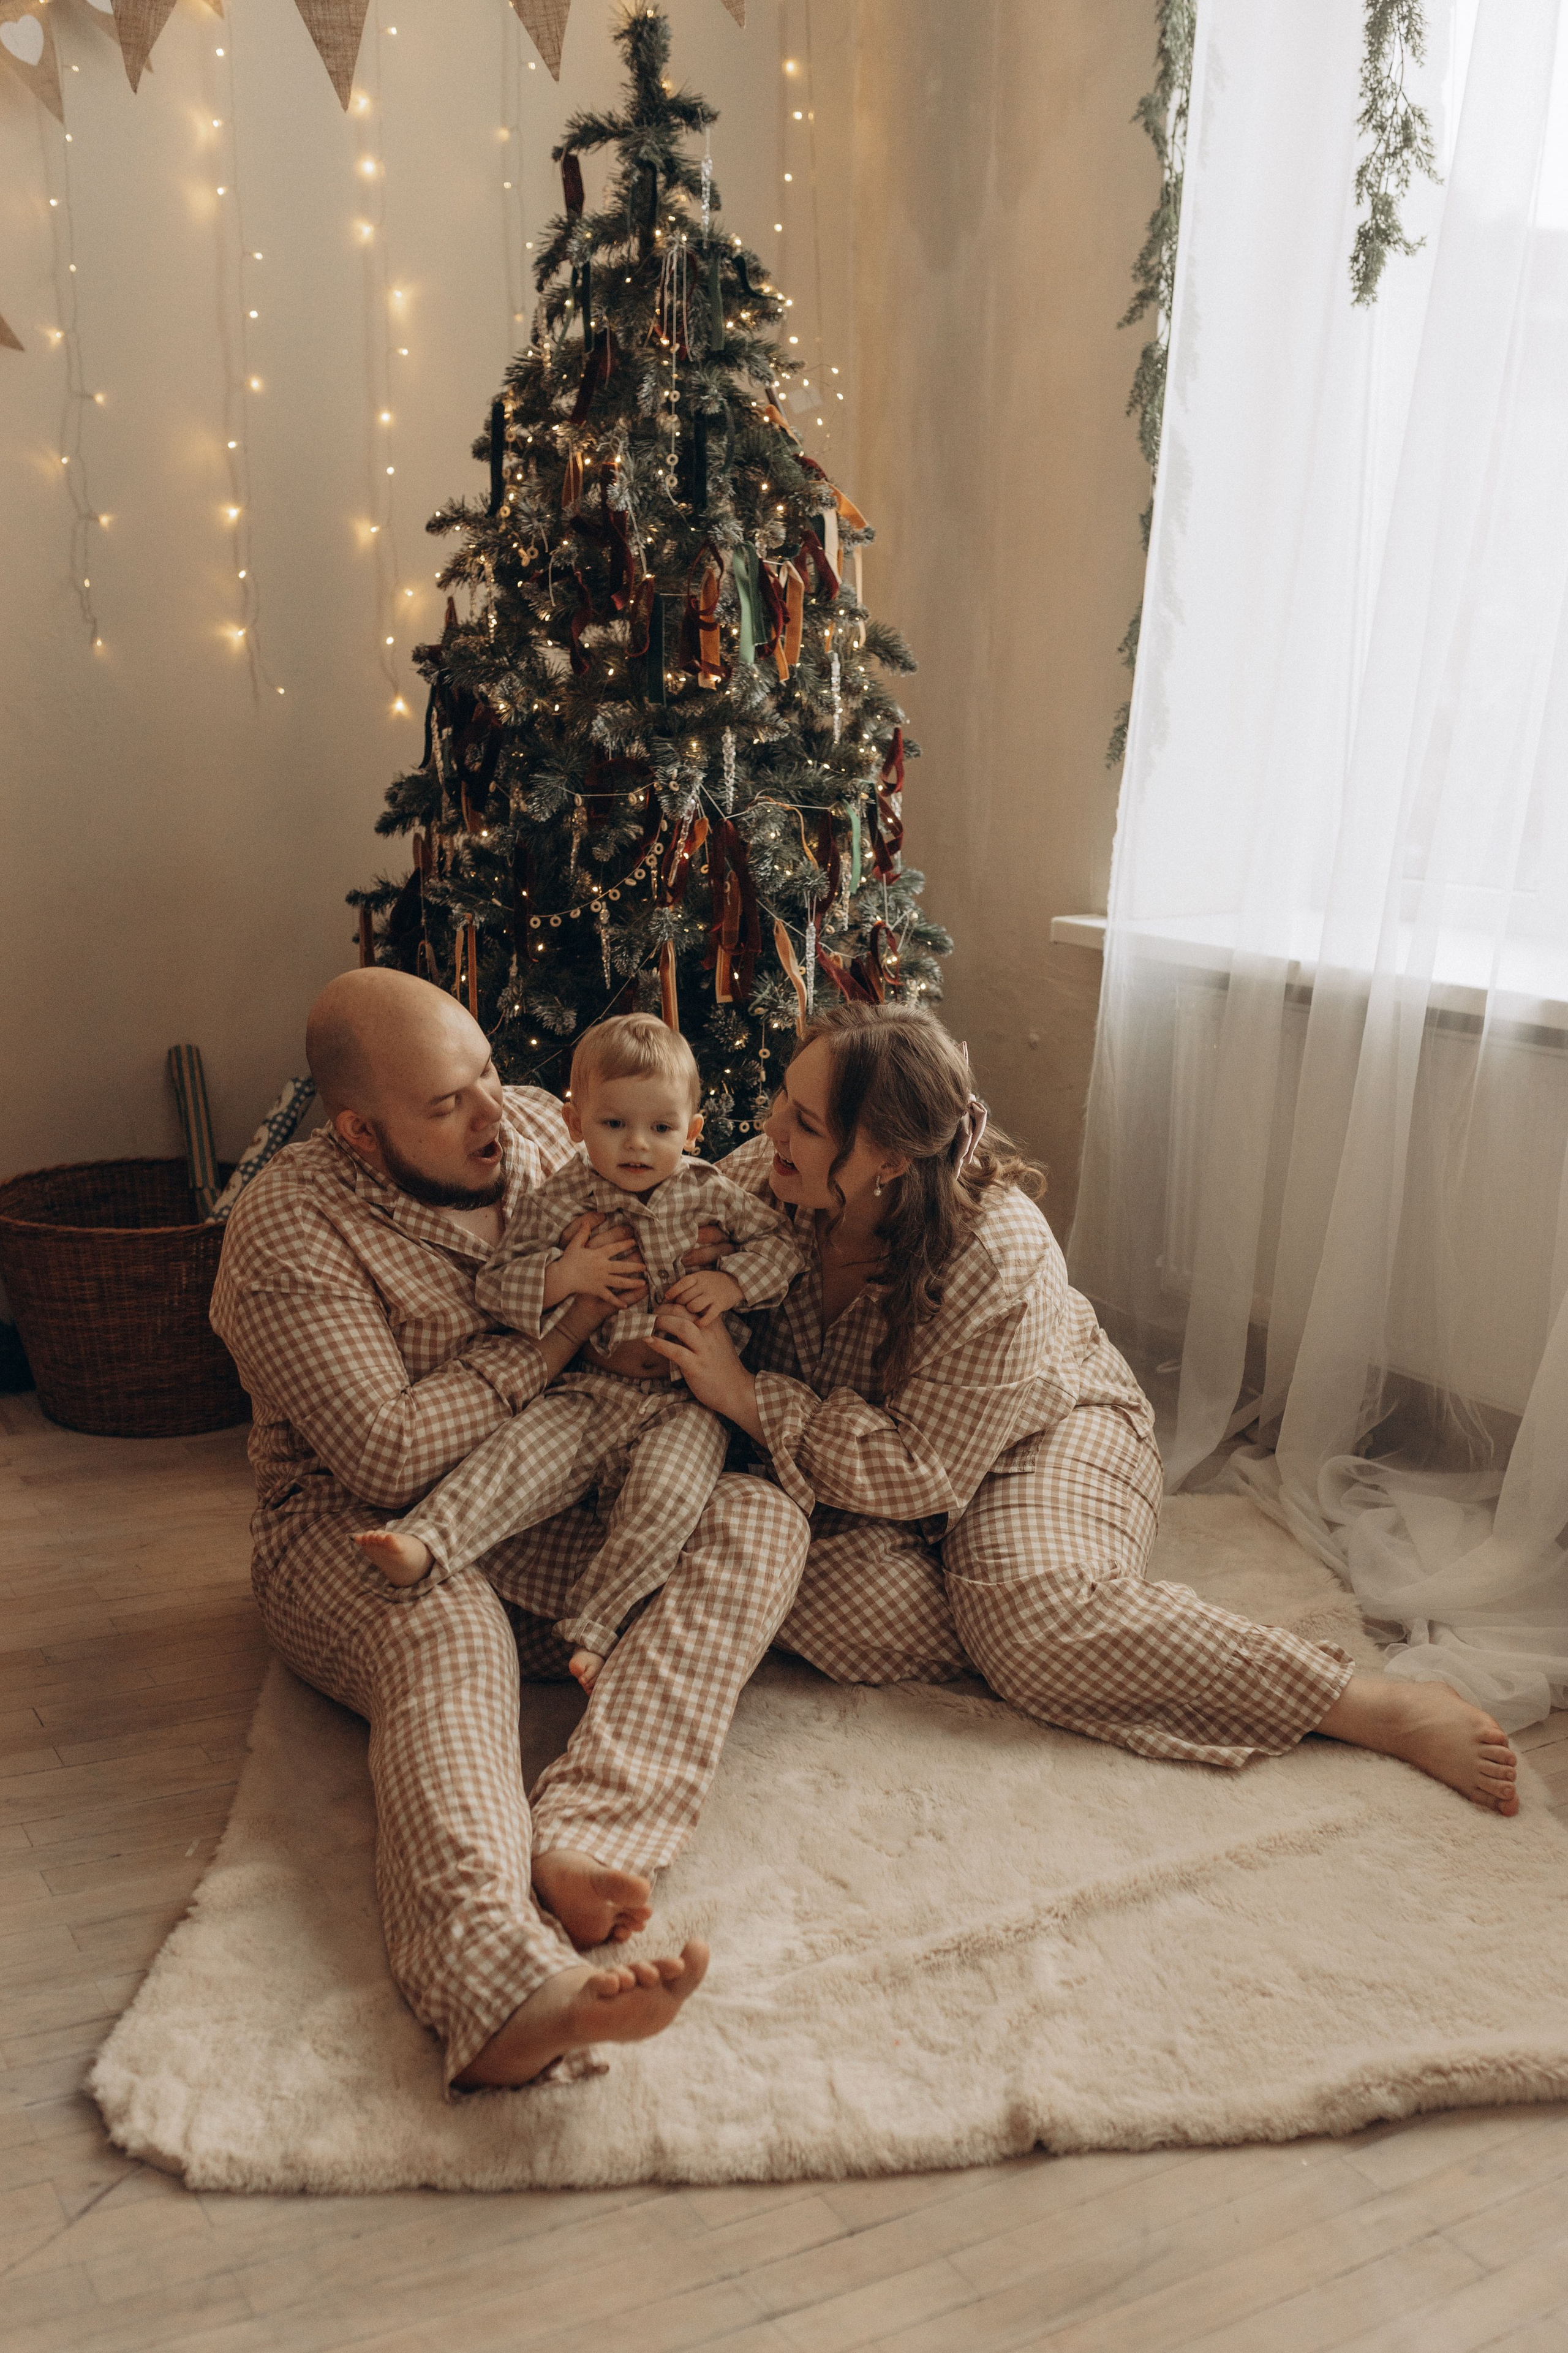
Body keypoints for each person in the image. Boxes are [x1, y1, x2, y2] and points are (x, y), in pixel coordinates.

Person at [648, 1002, 1521, 1817]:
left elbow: (924, 1469)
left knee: (1027, 1618)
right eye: (783, 1099)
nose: (770, 1126)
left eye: (805, 1123)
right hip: (862, 1463)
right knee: (810, 1577)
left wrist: (746, 1395)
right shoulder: (760, 1184)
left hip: (1042, 1432)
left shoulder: (998, 1250)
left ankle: (1362, 1703)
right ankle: (1023, 1625)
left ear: (890, 1161)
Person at [210, 969, 810, 2090]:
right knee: (446, 1629)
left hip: (568, 1500)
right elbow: (386, 1453)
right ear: (361, 1130)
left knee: (762, 1518)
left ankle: (592, 1838)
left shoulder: (544, 1126)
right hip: (360, 1524)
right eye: (448, 1103)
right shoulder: (289, 1230)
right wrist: (562, 1331)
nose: (494, 1109)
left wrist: (730, 1269)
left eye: (487, 1069)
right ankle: (500, 1986)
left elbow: (692, 1164)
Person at [356, 1014, 802, 1694]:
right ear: (574, 1122)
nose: (637, 1144)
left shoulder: (709, 1189)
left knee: (668, 1501)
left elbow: (783, 1247)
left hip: (686, 1401)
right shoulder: (563, 1195)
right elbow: (496, 1283)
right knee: (515, 1458)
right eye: (614, 1123)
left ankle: (598, 1625)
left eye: (661, 1127)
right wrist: (565, 1276)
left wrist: (733, 1282)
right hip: (591, 1386)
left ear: (691, 1130)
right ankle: (429, 1542)